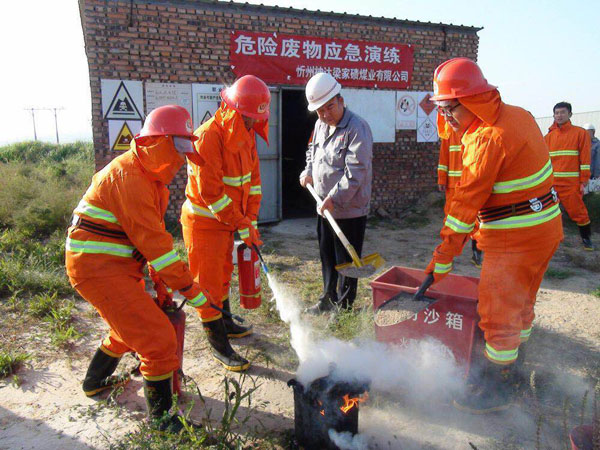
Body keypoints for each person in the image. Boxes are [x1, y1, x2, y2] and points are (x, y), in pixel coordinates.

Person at [426, 58, 563, 414]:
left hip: (514, 238)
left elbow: (463, 207)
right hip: (545, 227)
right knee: (522, 302)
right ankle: (518, 360)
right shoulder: (519, 115)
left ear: (470, 100)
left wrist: (441, 259)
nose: (446, 117)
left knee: (497, 312)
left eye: (448, 108)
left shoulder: (487, 138)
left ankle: (497, 387)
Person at [66, 105, 211, 431]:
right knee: (158, 340)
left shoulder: (149, 181)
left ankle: (95, 382)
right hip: (97, 270)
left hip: (115, 268)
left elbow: (152, 247)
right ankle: (162, 422)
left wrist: (162, 292)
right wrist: (193, 292)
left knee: (132, 328)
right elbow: (158, 251)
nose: (179, 162)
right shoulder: (130, 178)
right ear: (158, 142)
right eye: (177, 150)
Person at [181, 75, 269, 372]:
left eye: (255, 119)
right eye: (247, 118)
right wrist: (241, 222)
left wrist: (251, 221)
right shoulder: (209, 137)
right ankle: (219, 346)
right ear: (231, 109)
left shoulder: (246, 135)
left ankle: (227, 323)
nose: (251, 124)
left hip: (231, 221)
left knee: (224, 274)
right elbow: (212, 194)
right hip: (204, 223)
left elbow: (253, 183)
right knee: (207, 285)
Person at [299, 72, 373, 313]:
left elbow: (356, 173)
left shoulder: (357, 128)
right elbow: (312, 151)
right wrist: (308, 171)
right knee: (328, 257)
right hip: (324, 207)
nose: (325, 114)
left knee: (348, 263)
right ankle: (327, 298)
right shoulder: (320, 125)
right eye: (319, 110)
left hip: (348, 211)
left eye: (329, 108)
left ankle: (344, 310)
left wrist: (334, 198)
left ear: (340, 100)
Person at [544, 103, 593, 250]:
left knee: (579, 212)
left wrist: (583, 181)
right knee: (549, 214)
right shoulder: (548, 137)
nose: (559, 115)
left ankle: (586, 239)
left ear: (570, 114)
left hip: (571, 184)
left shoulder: (580, 133)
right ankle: (553, 239)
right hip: (551, 184)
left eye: (562, 112)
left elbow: (585, 159)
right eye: (556, 113)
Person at [437, 129, 483, 268]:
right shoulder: (449, 132)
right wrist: (441, 179)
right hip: (454, 186)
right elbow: (443, 157)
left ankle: (477, 255)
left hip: (471, 185)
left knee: (476, 222)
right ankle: (446, 256)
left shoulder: (478, 130)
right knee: (451, 223)